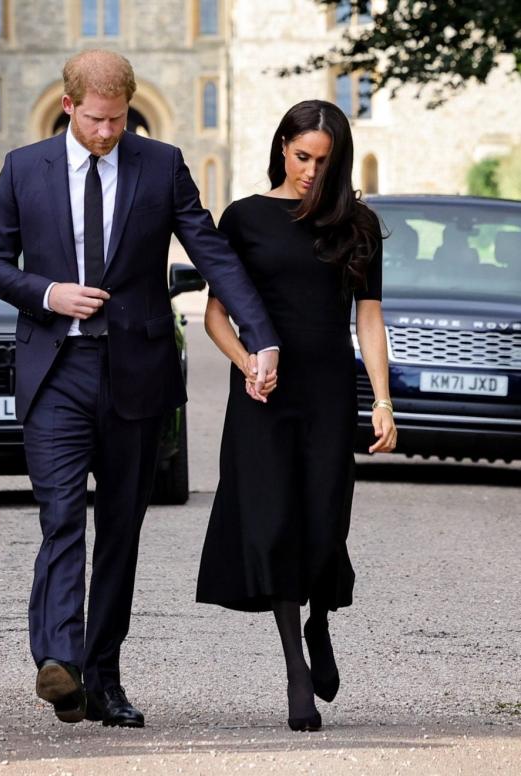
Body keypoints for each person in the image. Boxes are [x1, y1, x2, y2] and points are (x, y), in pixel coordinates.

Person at [0, 50, 279, 729]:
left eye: (117, 119)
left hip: (135, 376)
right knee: (59, 518)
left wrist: (261, 335)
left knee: (119, 533)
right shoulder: (24, 169)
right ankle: (58, 660)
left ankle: (102, 678)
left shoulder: (161, 164)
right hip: (56, 372)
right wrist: (47, 291)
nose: (108, 132)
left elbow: (211, 253)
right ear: (67, 105)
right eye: (95, 119)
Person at [195, 99, 396, 732]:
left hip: (331, 392)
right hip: (264, 396)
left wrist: (383, 399)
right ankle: (294, 672)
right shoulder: (246, 219)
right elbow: (215, 316)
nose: (310, 170)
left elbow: (369, 316)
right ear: (283, 146)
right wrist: (248, 363)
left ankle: (321, 622)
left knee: (322, 517)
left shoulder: (357, 223)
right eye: (301, 155)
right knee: (273, 521)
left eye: (322, 160)